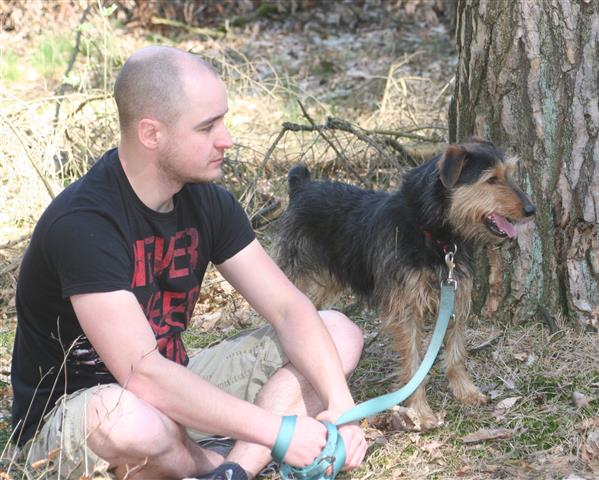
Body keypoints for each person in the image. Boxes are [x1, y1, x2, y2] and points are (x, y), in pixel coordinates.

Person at [10, 45, 367, 480]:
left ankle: (235, 470)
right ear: (151, 134)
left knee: (338, 333)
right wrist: (277, 431)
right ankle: (212, 463)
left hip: (172, 383)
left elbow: (289, 309)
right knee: (130, 423)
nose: (226, 139)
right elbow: (143, 374)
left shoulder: (207, 202)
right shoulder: (84, 224)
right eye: (206, 127)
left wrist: (342, 407)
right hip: (80, 415)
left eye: (223, 120)